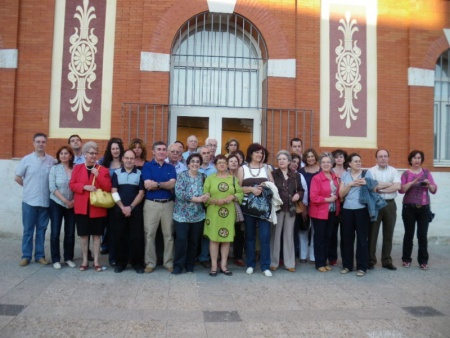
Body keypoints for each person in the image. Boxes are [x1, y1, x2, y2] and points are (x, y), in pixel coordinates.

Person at [69, 141, 111, 272]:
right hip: (82, 207)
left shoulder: (102, 170)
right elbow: (72, 185)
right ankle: (85, 261)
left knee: (97, 235)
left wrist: (98, 176)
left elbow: (108, 187)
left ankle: (97, 261)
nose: (93, 155)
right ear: (85, 154)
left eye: (95, 153)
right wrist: (84, 187)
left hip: (97, 208)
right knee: (83, 235)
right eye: (90, 153)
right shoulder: (77, 168)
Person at [15, 132, 54, 266]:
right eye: (38, 141)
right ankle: (26, 256)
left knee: (42, 230)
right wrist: (29, 188)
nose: (41, 144)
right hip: (29, 201)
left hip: (45, 202)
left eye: (43, 142)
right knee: (28, 230)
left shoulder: (51, 161)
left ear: (46, 144)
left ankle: (40, 255)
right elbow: (17, 177)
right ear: (33, 143)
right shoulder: (26, 160)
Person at [237, 143, 274, 277]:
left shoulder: (267, 168)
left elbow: (273, 186)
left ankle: (265, 266)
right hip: (248, 207)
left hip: (264, 207)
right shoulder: (243, 169)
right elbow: (238, 188)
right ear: (251, 153)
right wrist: (251, 189)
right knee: (250, 236)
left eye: (262, 153)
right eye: (257, 152)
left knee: (265, 236)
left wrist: (264, 187)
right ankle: (250, 264)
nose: (259, 155)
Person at [204, 155, 244, 276]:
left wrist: (230, 197)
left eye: (224, 162)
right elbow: (205, 195)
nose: (222, 164)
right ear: (215, 165)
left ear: (227, 165)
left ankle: (224, 265)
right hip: (214, 211)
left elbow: (240, 193)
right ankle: (214, 266)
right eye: (219, 162)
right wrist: (215, 200)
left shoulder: (233, 179)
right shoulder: (209, 179)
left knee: (226, 239)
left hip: (228, 212)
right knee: (214, 239)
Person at [142, 141, 176, 273]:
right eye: (159, 149)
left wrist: (156, 184)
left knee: (168, 235)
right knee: (150, 234)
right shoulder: (147, 166)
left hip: (168, 204)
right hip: (152, 204)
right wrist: (164, 184)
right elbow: (147, 185)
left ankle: (169, 262)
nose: (162, 152)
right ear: (153, 152)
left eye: (164, 149)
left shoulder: (170, 167)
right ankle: (150, 262)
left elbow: (172, 185)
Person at [400, 150, 437, 270]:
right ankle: (406, 259)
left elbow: (433, 189)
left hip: (424, 208)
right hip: (409, 208)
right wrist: (412, 182)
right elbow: (401, 190)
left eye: (419, 158)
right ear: (410, 160)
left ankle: (423, 260)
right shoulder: (406, 174)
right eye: (414, 158)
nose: (417, 160)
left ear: (421, 160)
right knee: (409, 234)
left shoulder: (426, 172)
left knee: (422, 235)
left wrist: (429, 185)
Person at [172, 153, 209, 274]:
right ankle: (178, 265)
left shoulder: (203, 177)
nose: (195, 164)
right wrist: (197, 199)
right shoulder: (181, 176)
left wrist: (207, 195)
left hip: (197, 215)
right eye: (192, 161)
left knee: (194, 241)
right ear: (188, 164)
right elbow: (179, 193)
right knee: (181, 240)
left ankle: (190, 264)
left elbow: (209, 190)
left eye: (198, 162)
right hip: (181, 215)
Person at [110, 149, 145, 273]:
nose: (129, 160)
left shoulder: (140, 173)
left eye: (131, 158)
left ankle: (137, 263)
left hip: (135, 210)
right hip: (119, 210)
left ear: (135, 160)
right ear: (123, 159)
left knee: (137, 237)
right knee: (120, 237)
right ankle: (121, 263)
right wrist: (122, 207)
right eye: (127, 158)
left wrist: (130, 207)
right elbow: (114, 191)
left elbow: (141, 193)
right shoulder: (117, 173)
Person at [339, 153, 372, 277]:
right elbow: (341, 194)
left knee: (362, 239)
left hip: (362, 210)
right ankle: (347, 265)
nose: (358, 163)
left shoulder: (366, 174)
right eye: (356, 161)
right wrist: (350, 185)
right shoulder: (345, 175)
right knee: (347, 239)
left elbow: (374, 188)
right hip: (347, 210)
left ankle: (362, 267)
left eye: (359, 161)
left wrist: (366, 183)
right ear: (350, 164)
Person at [270, 150, 304, 272]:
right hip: (278, 209)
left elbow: (301, 190)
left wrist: (298, 195)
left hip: (291, 209)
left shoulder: (296, 175)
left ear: (289, 161)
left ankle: (290, 263)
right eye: (279, 159)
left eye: (284, 159)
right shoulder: (273, 174)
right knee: (275, 235)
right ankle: (273, 262)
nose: (281, 161)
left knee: (289, 236)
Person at [368, 149, 401, 270]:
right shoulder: (371, 171)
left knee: (388, 233)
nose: (383, 158)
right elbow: (373, 186)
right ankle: (370, 260)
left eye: (385, 156)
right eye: (380, 156)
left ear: (388, 158)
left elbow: (397, 186)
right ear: (376, 158)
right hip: (375, 204)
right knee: (372, 233)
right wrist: (389, 184)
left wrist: (382, 188)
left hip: (390, 205)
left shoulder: (394, 171)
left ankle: (386, 261)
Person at [309, 152, 340, 273]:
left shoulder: (335, 177)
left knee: (329, 237)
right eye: (323, 162)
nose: (326, 164)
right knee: (320, 238)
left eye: (328, 162)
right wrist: (327, 199)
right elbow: (313, 197)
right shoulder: (316, 178)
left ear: (332, 164)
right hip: (319, 213)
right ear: (320, 164)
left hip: (332, 212)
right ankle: (319, 263)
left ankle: (326, 261)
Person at [49, 145, 76, 270]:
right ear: (58, 156)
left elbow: (80, 185)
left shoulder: (76, 168)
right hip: (57, 203)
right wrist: (66, 201)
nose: (64, 155)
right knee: (55, 232)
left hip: (73, 204)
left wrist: (74, 201)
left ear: (71, 155)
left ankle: (68, 258)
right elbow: (52, 188)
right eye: (61, 153)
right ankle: (55, 259)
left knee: (70, 233)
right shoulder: (54, 169)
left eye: (66, 153)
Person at [98, 138, 125, 266]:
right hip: (107, 199)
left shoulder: (125, 162)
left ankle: (117, 253)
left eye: (117, 149)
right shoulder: (104, 163)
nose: (115, 151)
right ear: (110, 150)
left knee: (116, 228)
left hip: (122, 199)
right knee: (107, 226)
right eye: (113, 148)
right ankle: (106, 246)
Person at [299, 148, 321, 264]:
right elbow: (300, 189)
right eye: (308, 157)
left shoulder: (321, 170)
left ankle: (313, 255)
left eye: (312, 156)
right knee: (303, 229)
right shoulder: (301, 172)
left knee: (315, 231)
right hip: (304, 204)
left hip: (318, 205)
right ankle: (303, 255)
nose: (311, 158)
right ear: (305, 159)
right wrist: (303, 208)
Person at [328, 148, 348, 266]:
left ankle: (346, 257)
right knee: (333, 232)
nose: (339, 159)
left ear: (345, 159)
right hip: (334, 204)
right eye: (336, 157)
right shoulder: (330, 171)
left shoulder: (348, 172)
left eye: (341, 156)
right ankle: (332, 257)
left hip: (346, 205)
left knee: (346, 233)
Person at [290, 153, 309, 263]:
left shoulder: (299, 176)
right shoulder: (277, 174)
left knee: (294, 233)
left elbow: (304, 193)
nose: (296, 164)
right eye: (293, 161)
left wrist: (304, 209)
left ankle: (293, 256)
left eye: (297, 162)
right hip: (281, 209)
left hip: (296, 209)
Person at [227, 154, 246, 267]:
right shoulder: (223, 175)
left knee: (239, 232)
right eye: (231, 161)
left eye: (236, 161)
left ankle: (238, 256)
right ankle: (223, 256)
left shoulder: (242, 173)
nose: (234, 163)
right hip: (227, 205)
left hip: (240, 206)